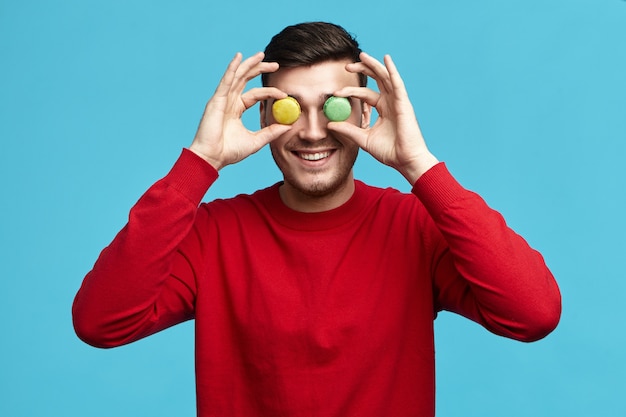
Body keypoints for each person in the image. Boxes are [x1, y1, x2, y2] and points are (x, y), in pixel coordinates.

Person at [73, 22, 561, 417]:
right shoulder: (213, 233)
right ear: (264, 119)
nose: (311, 132)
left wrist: (420, 167)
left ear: (366, 115)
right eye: (289, 109)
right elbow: (100, 323)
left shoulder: (414, 227)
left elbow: (533, 313)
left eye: (334, 106)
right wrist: (201, 161)